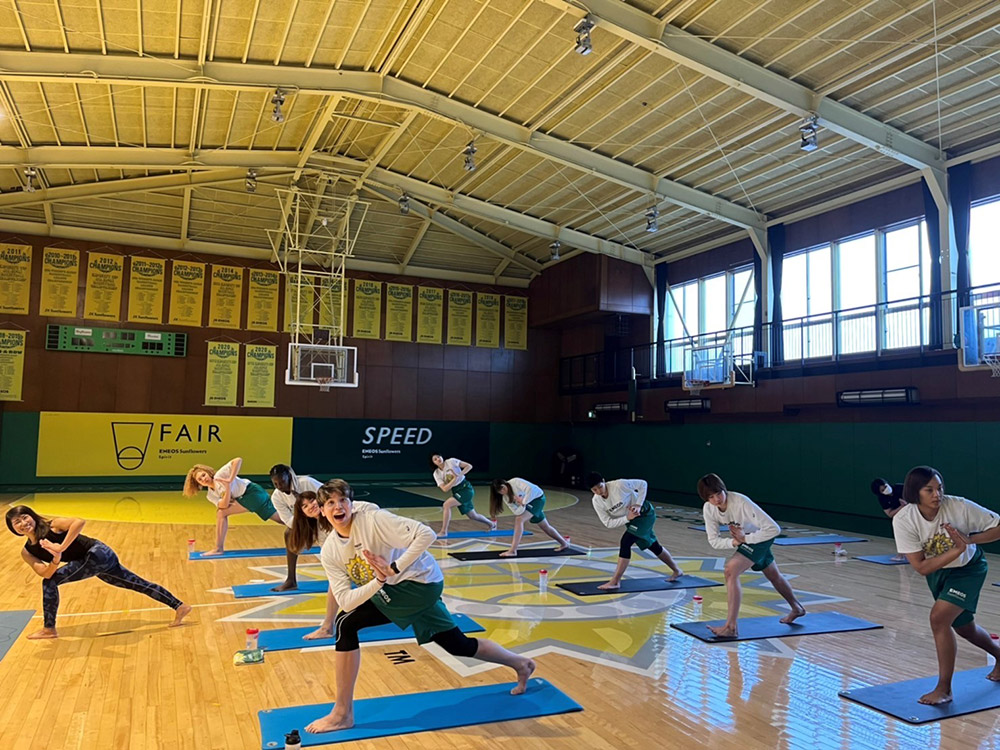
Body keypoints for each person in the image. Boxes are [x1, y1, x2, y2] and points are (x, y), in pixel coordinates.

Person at [305, 479, 536, 734]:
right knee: (457, 644)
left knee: (345, 623)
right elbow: (346, 600)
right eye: (330, 503)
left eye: (343, 500)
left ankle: (342, 714)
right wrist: (380, 580)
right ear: (322, 510)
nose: (338, 507)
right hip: (393, 587)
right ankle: (521, 664)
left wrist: (393, 568)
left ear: (352, 503)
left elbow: (426, 534)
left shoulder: (373, 521)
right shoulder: (330, 550)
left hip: (420, 583)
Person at [892, 465, 1000, 705]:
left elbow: (998, 527)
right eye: (929, 490)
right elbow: (921, 567)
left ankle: (944, 689)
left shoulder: (959, 506)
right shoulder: (904, 519)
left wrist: (969, 540)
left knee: (939, 619)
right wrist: (957, 549)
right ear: (915, 492)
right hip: (938, 573)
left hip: (969, 570)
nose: (937, 494)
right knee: (965, 628)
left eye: (939, 488)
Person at [5, 505, 192, 639]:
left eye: (25, 517)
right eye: (17, 522)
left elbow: (79, 522)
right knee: (136, 584)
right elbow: (46, 573)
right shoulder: (27, 552)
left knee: (50, 583)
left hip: (97, 554)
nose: (23, 523)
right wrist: (56, 558)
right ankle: (179, 606)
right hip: (95, 560)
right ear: (13, 529)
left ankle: (49, 629)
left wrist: (60, 547)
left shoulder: (53, 525)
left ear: (32, 516)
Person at [697, 473, 806, 638]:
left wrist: (746, 539)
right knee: (773, 575)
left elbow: (773, 529)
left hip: (760, 537)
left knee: (730, 570)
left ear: (724, 489)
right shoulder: (709, 509)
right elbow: (713, 541)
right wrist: (735, 542)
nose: (717, 499)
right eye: (711, 497)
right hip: (745, 539)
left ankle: (731, 627)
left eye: (718, 493)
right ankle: (797, 608)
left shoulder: (741, 502)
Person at [287, 488, 379, 641]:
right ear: (303, 513)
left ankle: (328, 626)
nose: (310, 506)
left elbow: (372, 508)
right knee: (335, 583)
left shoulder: (345, 510)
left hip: (370, 549)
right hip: (353, 557)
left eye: (312, 500)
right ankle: (328, 626)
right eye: (305, 506)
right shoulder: (317, 530)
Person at [587, 471, 683, 590]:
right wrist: (627, 518)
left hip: (644, 514)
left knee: (625, 542)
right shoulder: (597, 501)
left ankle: (615, 581)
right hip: (632, 520)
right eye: (594, 490)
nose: (599, 491)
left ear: (603, 481)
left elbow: (643, 484)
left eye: (600, 487)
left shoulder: (619, 485)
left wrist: (638, 504)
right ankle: (677, 570)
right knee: (653, 546)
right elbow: (608, 523)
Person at [183, 457, 282, 556]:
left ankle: (218, 548)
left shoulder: (220, 475)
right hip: (248, 498)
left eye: (204, 475)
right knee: (281, 519)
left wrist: (230, 479)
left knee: (221, 513)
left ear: (208, 473)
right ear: (198, 484)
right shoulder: (210, 495)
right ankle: (293, 524)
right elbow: (224, 505)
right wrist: (228, 487)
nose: (204, 479)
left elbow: (238, 460)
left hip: (252, 492)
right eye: (200, 479)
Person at [269, 464, 323, 591]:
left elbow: (328, 497)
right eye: (275, 484)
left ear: (289, 476)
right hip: (306, 522)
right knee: (289, 534)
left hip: (325, 517)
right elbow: (288, 520)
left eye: (281, 482)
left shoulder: (307, 482)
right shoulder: (276, 497)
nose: (279, 486)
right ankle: (291, 580)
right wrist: (305, 523)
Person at [488, 477, 571, 557]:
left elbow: (530, 489)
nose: (503, 491)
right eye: (500, 491)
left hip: (537, 498)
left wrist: (523, 502)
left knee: (519, 520)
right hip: (528, 504)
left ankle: (513, 550)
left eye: (502, 488)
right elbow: (517, 511)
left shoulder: (515, 482)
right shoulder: (506, 497)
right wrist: (521, 504)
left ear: (504, 484)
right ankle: (564, 543)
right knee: (545, 526)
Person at [430, 454, 495, 536]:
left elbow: (469, 466)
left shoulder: (451, 461)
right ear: (433, 463)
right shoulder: (436, 473)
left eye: (438, 457)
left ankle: (443, 531)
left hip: (465, 488)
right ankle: (491, 524)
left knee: (446, 505)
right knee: (473, 515)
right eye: (435, 459)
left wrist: (460, 474)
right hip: (456, 490)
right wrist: (454, 479)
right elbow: (445, 489)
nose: (438, 459)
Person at [871, 477, 907, 561]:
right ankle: (901, 554)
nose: (886, 489)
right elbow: (890, 514)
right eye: (882, 490)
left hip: (914, 511)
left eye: (885, 486)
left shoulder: (900, 488)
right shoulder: (882, 499)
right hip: (900, 516)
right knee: (900, 532)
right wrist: (902, 506)